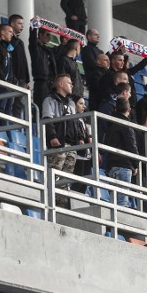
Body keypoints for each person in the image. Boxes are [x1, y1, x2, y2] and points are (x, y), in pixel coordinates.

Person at [43, 74, 84, 209]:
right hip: (59, 143)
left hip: (71, 144)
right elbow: (48, 120)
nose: (72, 85)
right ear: (60, 84)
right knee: (55, 172)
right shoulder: (50, 100)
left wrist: (79, 138)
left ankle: (61, 205)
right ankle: (48, 200)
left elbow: (75, 122)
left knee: (66, 176)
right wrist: (52, 136)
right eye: (69, 83)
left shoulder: (71, 103)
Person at [29, 27, 58, 109]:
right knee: (41, 104)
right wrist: (34, 27)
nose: (49, 37)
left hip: (50, 82)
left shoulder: (48, 50)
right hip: (40, 80)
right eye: (47, 34)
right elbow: (32, 39)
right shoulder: (35, 47)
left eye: (50, 35)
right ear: (40, 35)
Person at [8, 14, 31, 119]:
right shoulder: (9, 40)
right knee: (10, 102)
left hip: (22, 79)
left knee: (19, 105)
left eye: (22, 24)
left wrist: (27, 79)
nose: (22, 26)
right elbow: (9, 50)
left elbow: (24, 62)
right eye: (19, 23)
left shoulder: (20, 41)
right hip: (13, 77)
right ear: (12, 24)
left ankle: (15, 127)